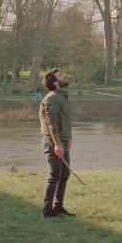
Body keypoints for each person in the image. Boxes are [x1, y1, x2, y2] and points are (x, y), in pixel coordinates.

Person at [40, 67, 74, 218]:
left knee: (64, 174)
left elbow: (65, 121)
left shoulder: (62, 97)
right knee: (54, 175)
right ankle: (47, 211)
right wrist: (58, 144)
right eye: (61, 75)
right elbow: (51, 123)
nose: (64, 75)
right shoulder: (52, 98)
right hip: (53, 142)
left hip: (63, 141)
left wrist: (69, 138)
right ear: (55, 82)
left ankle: (58, 207)